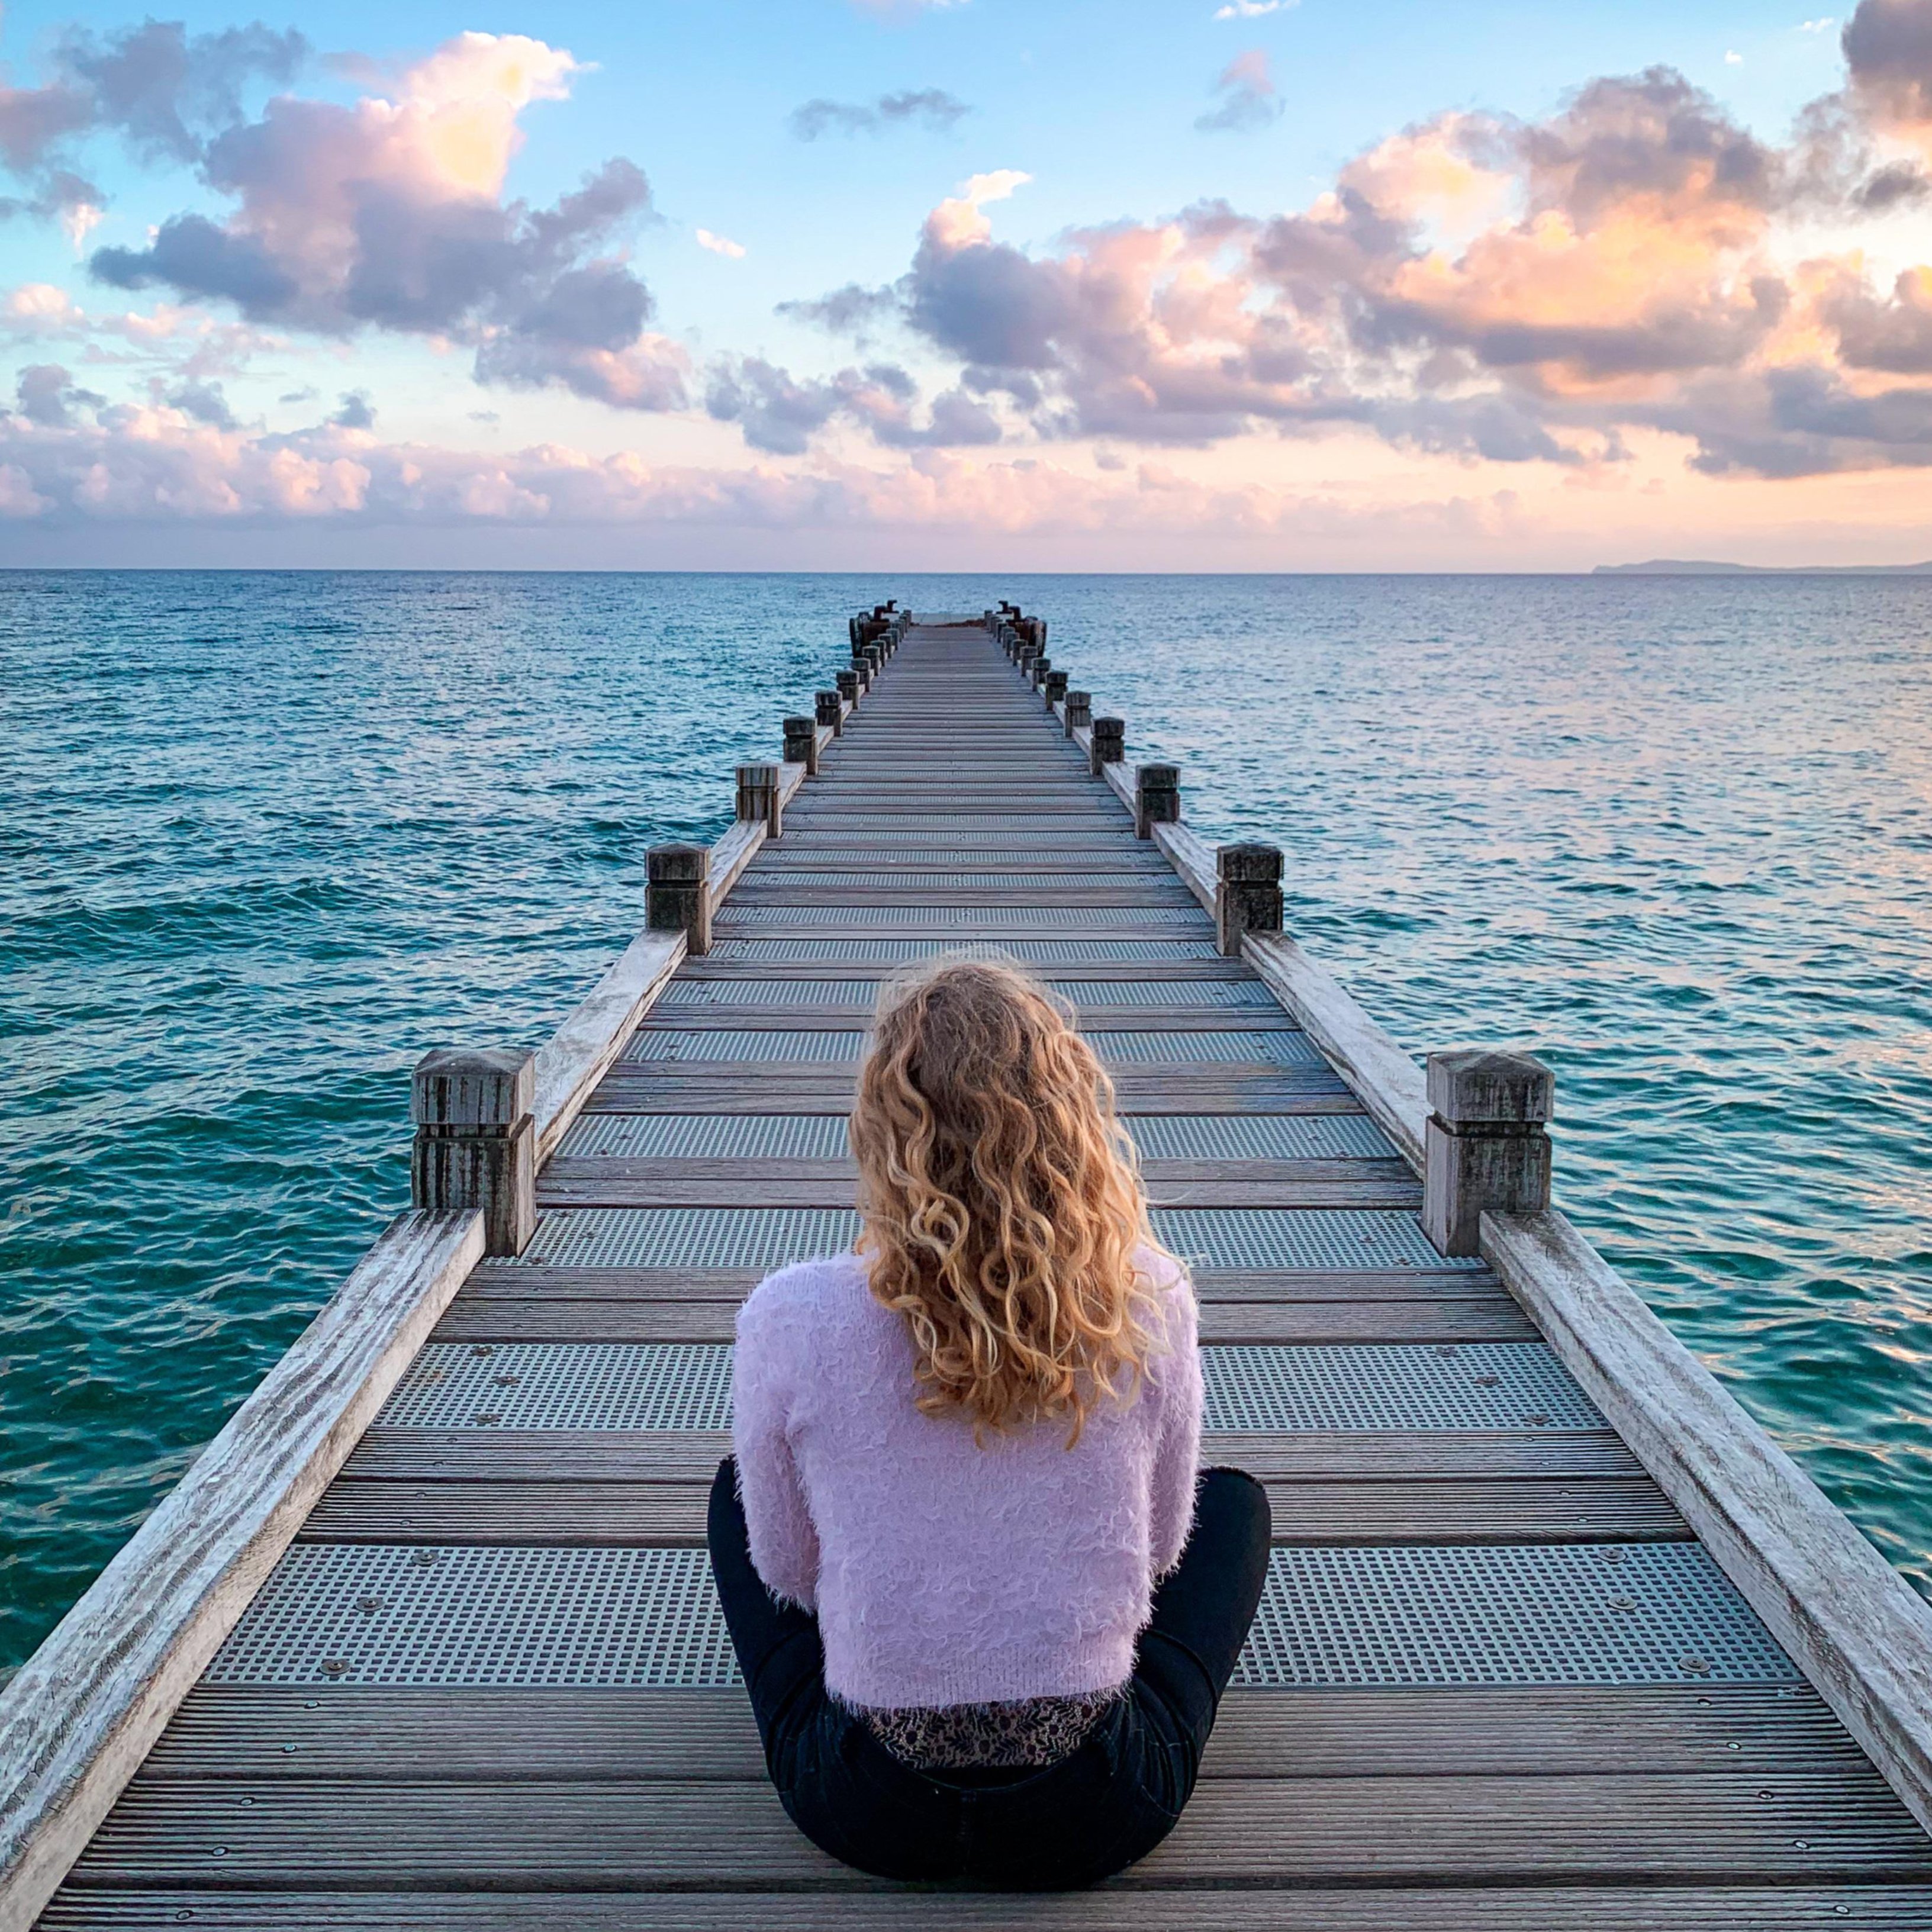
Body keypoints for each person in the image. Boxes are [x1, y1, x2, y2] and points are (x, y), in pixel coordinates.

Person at [706, 958, 1270, 1889]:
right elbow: (1163, 1552)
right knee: (1235, 1508)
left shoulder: (791, 1315)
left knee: (737, 1493)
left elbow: (789, 1575)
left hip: (865, 1807)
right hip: (1096, 1809)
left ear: (883, 1134)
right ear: (1072, 1127)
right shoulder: (1151, 1298)